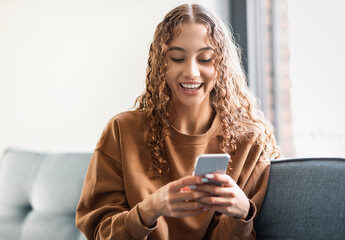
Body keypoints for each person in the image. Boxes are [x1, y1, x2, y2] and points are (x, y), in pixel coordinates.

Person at [76, 3, 280, 240]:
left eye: (205, 59)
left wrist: (241, 214)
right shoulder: (122, 131)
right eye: (177, 58)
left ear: (222, 66)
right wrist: (149, 210)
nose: (191, 72)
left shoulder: (250, 140)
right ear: (161, 64)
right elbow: (101, 233)